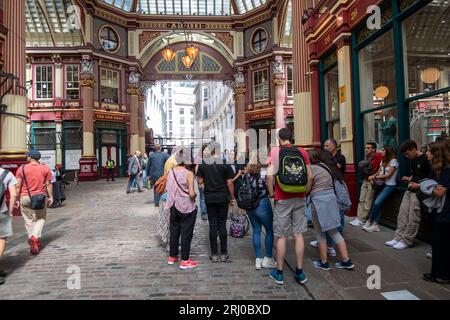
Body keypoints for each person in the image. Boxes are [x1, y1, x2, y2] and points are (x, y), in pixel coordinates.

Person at [267, 128, 313, 285]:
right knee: (299, 234)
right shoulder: (302, 151)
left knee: (281, 235)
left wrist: (272, 194)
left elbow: (270, 176)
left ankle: (279, 273)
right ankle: (300, 272)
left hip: (283, 198)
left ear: (279, 138)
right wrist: (305, 193)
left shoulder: (275, 152)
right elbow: (310, 176)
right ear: (291, 138)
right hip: (300, 197)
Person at [308, 149, 354, 271]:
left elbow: (308, 185)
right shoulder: (327, 167)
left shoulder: (311, 169)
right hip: (331, 200)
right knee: (334, 231)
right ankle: (346, 260)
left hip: (318, 201)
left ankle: (324, 262)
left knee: (320, 233)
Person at [385, 140, 430, 249]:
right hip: (410, 189)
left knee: (413, 216)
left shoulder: (426, 159)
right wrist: (408, 178)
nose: (406, 156)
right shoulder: (413, 160)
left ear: (413, 149)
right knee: (402, 214)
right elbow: (415, 175)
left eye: (407, 153)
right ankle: (398, 237)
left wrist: (418, 185)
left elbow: (430, 179)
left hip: (419, 191)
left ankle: (407, 240)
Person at [196, 142, 235, 263]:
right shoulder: (225, 163)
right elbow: (229, 183)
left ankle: (214, 254)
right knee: (222, 224)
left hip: (210, 198)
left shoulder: (203, 164)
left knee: (212, 224)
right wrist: (232, 197)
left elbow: (200, 183)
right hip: (223, 197)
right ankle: (223, 253)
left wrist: (208, 188)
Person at [15, 150, 53, 255]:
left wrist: (17, 199)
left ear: (31, 157)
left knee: (28, 220)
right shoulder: (45, 168)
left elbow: (18, 186)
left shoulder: (21, 169)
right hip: (40, 197)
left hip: (25, 197)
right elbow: (49, 184)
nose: (26, 157)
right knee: (40, 218)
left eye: (27, 156)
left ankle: (32, 239)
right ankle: (35, 238)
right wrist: (51, 197)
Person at [165, 150, 198, 270]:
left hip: (173, 205)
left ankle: (172, 257)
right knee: (186, 233)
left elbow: (168, 189)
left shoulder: (170, 172)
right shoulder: (189, 173)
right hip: (186, 207)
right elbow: (191, 193)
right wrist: (195, 196)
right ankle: (185, 260)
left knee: (174, 231)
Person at [423, 141, 450, 283]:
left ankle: (443, 274)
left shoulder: (446, 170)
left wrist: (427, 189)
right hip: (437, 210)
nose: (426, 153)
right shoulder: (434, 169)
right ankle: (436, 273)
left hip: (446, 211)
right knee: (436, 242)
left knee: (442, 242)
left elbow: (439, 192)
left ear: (436, 154)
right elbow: (432, 186)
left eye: (429, 151)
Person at [244, 163, 276, 270]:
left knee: (256, 230)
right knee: (269, 231)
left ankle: (258, 259)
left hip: (249, 205)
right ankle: (268, 258)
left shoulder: (246, 175)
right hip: (263, 203)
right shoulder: (263, 173)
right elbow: (270, 186)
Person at [362, 145, 399, 232]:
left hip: (390, 185)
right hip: (381, 184)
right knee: (376, 203)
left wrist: (375, 177)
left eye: (382, 150)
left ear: (388, 151)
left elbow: (388, 175)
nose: (380, 151)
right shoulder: (383, 161)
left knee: (377, 203)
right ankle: (375, 224)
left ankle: (370, 220)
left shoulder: (394, 161)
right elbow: (379, 171)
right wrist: (373, 176)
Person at [350, 142, 382, 227]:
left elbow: (381, 168)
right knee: (361, 200)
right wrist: (368, 177)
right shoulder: (367, 157)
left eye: (368, 148)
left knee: (368, 201)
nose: (366, 150)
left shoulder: (378, 156)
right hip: (366, 179)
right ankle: (358, 218)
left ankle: (362, 219)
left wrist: (374, 177)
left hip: (373, 181)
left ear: (373, 149)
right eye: (366, 148)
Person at [0, 167, 18, 286]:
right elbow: (13, 195)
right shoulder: (6, 174)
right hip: (1, 212)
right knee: (1, 238)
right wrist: (10, 211)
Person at [195, 144, 208, 221]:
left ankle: (208, 210)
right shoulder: (199, 158)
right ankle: (203, 212)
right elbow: (196, 169)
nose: (207, 151)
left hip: (209, 179)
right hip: (201, 179)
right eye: (205, 150)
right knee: (202, 196)